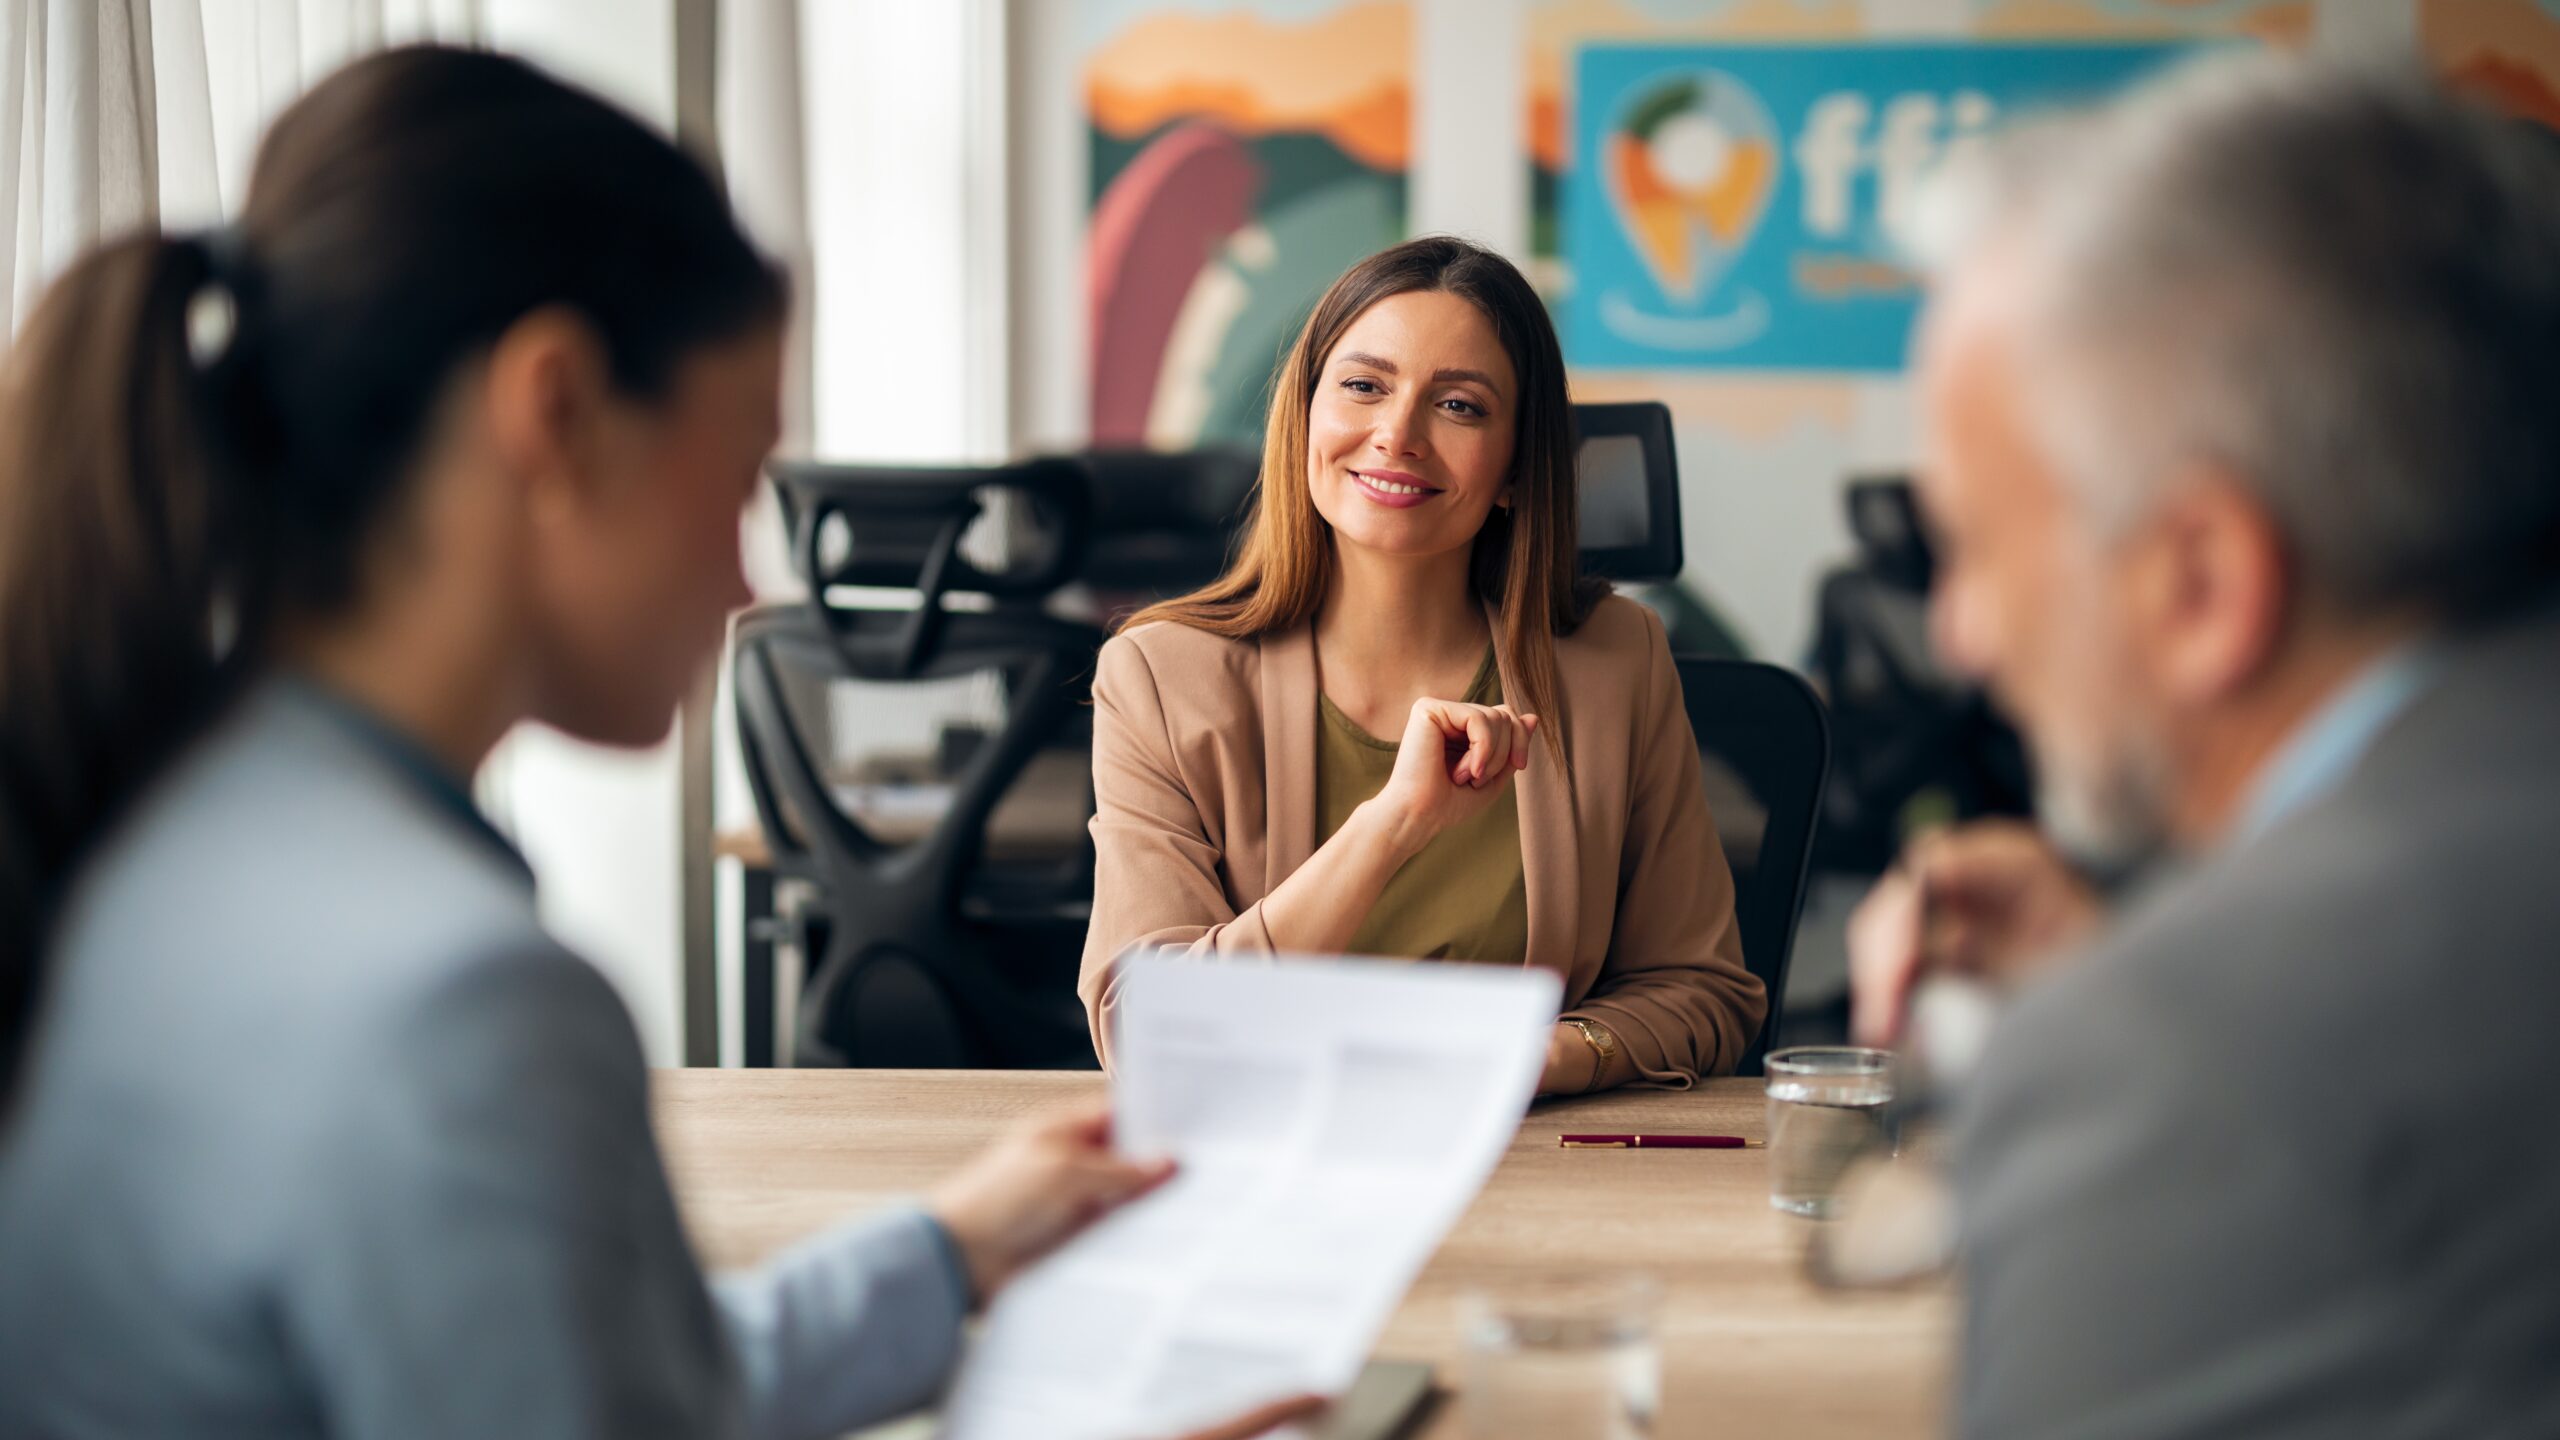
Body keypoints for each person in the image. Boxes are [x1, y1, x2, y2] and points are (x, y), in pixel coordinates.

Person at [0, 47, 1310, 1440]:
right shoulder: (457, 1007)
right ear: (556, 411)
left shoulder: (146, 826)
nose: (748, 584)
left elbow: (598, 1383)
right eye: (738, 476)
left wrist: (949, 1252)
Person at [1850, 55, 2560, 1436]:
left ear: (2200, 583)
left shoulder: (2171, 1064)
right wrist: (2127, 963)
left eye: (1974, 548)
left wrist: (2148, 1015)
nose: (1957, 640)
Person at [1079, 237, 1765, 1094]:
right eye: (1364, 386)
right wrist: (1392, 826)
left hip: (1531, 1150)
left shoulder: (1614, 661)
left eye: (1460, 406)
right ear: (1304, 417)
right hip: (1262, 1147)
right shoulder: (1159, 676)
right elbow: (1149, 1034)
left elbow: (1702, 988)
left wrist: (1547, 1056)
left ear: (1516, 467)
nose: (1397, 435)